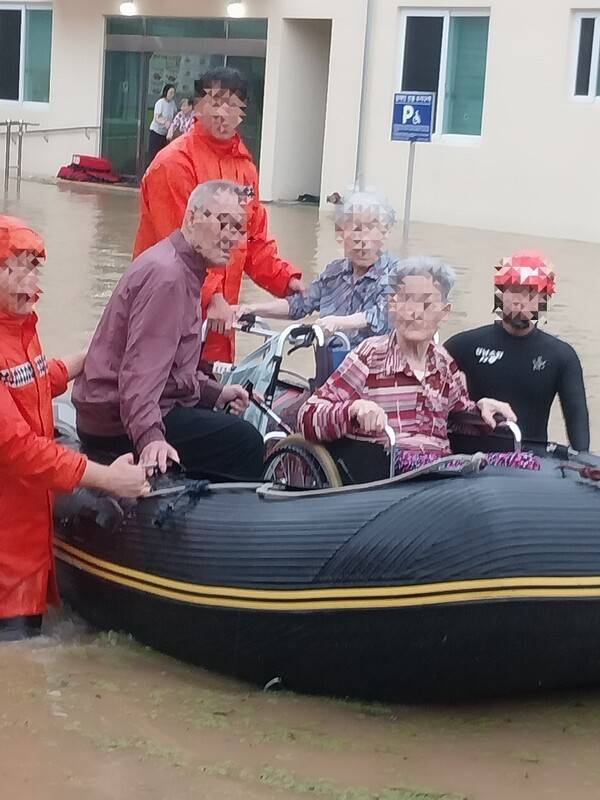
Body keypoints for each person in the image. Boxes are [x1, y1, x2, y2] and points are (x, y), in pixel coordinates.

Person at [0, 216, 149, 641]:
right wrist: (109, 478)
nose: (30, 281)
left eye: (34, 266)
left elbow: (33, 381)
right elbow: (20, 448)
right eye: (17, 267)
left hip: (26, 540)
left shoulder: (20, 332)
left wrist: (89, 356)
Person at [73, 180, 265, 481]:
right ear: (191, 217)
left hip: (116, 410)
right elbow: (140, 374)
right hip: (115, 422)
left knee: (223, 425)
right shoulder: (169, 278)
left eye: (239, 229)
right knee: (245, 440)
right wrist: (151, 438)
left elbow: (171, 369)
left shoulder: (181, 269)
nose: (232, 237)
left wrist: (215, 392)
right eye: (223, 223)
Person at [298, 257, 533, 475]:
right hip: (386, 468)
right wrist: (354, 409)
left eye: (427, 304)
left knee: (525, 466)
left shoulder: (443, 364)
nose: (414, 312)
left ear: (444, 313)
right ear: (392, 305)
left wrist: (482, 409)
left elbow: (459, 422)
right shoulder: (370, 355)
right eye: (406, 300)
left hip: (441, 471)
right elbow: (307, 416)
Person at [133, 67, 304, 363]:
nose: (223, 113)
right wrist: (213, 297)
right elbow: (180, 247)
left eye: (233, 105)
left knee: (214, 392)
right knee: (162, 392)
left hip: (219, 320)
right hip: (167, 312)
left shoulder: (245, 169)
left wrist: (289, 282)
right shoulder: (174, 164)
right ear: (198, 106)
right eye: (214, 102)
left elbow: (253, 241)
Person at [444, 251, 590, 452]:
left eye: (531, 292)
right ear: (500, 294)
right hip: (474, 459)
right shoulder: (466, 344)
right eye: (514, 290)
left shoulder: (561, 356)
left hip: (531, 462)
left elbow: (578, 425)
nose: (521, 301)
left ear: (543, 300)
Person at [235, 190, 398, 347]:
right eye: (356, 230)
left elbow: (379, 316)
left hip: (375, 370)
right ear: (341, 234)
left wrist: (338, 322)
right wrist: (252, 309)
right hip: (331, 365)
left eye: (372, 230)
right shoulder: (334, 272)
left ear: (385, 234)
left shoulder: (397, 275)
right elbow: (299, 304)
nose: (363, 240)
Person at [148, 84, 177, 164]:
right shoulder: (160, 102)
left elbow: (175, 114)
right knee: (154, 155)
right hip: (156, 132)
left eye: (173, 93)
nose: (172, 95)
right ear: (166, 92)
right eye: (171, 93)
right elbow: (156, 117)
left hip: (165, 134)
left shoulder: (172, 103)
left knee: (163, 156)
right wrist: (165, 122)